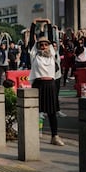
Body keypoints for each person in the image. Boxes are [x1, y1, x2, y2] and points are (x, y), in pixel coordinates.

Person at [28, 18, 65, 146]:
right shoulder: (34, 55)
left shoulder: (52, 54)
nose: (43, 46)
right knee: (35, 111)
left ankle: (55, 136)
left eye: (45, 44)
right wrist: (34, 24)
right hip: (38, 85)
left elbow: (51, 37)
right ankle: (33, 134)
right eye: (41, 45)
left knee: (52, 112)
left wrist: (49, 24)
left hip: (50, 85)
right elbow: (32, 41)